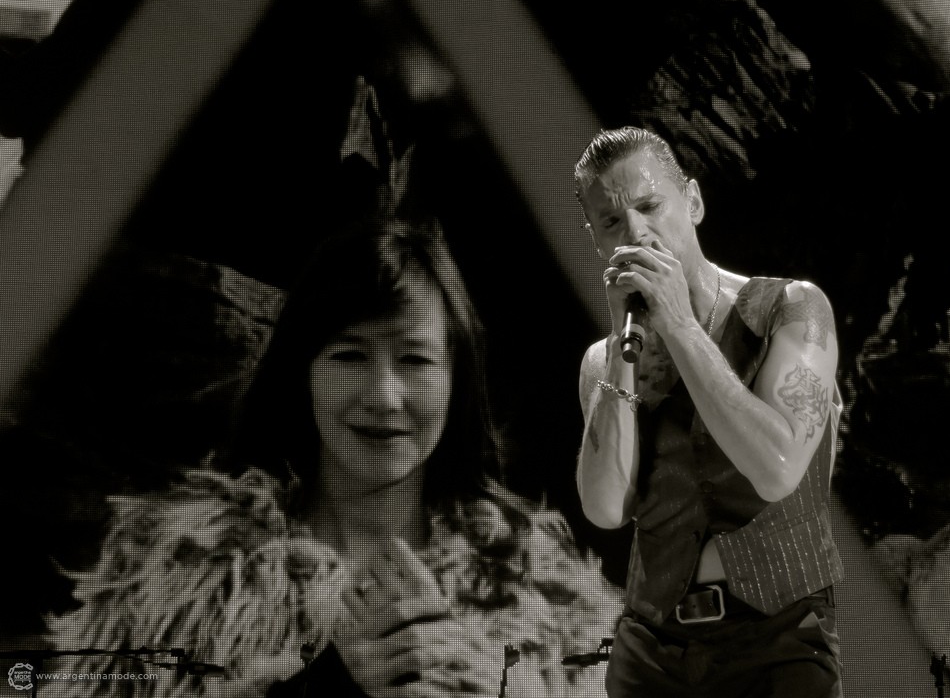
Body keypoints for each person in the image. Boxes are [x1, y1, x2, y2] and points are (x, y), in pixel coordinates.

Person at [41, 216, 621, 697]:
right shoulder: (180, 574)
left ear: (457, 383)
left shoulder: (538, 586)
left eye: (415, 361)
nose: (383, 396)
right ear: (304, 372)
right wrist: (330, 684)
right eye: (349, 356)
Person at [573, 126, 844, 697]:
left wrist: (679, 323)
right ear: (597, 240)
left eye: (650, 206)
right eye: (612, 221)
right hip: (653, 647)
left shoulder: (793, 310)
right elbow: (605, 508)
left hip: (778, 637)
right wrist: (623, 355)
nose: (636, 233)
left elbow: (776, 469)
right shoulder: (605, 359)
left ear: (692, 202)